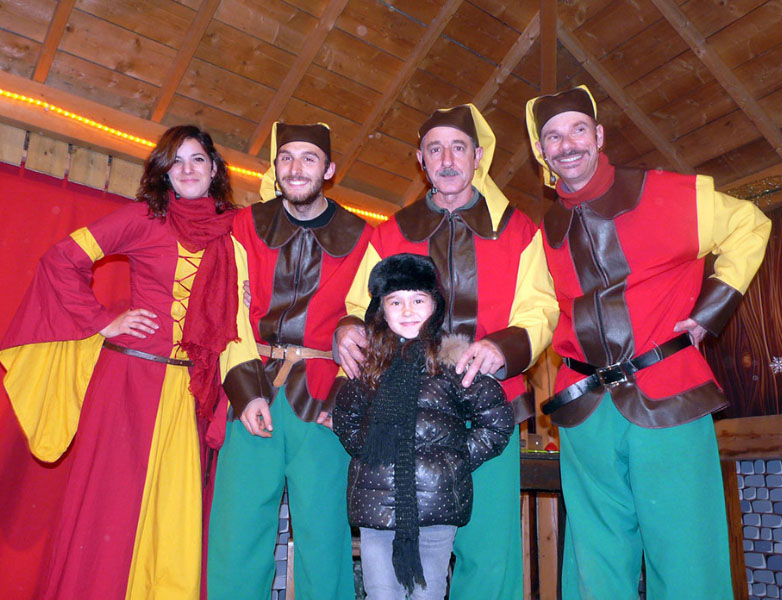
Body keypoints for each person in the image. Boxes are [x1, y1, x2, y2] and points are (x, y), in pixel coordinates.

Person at [525, 85, 771, 599]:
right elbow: (539, 310)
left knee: (685, 552)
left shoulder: (667, 193)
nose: (567, 144)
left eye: (577, 130)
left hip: (669, 393)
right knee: (594, 560)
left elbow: (749, 224)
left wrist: (709, 311)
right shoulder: (544, 232)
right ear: (541, 152)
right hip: (586, 409)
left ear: (599, 135)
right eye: (553, 136)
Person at [0, 125, 238, 598]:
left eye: (197, 159)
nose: (187, 169)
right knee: (111, 507)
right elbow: (61, 259)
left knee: (175, 509)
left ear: (214, 169)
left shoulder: (236, 231)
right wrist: (102, 320)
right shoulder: (144, 218)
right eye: (176, 161)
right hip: (129, 380)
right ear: (164, 172)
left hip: (192, 390)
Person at [336, 104, 559, 599]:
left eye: (458, 148)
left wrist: (501, 346)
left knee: (490, 554)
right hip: (404, 421)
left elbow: (541, 308)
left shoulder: (519, 230)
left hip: (489, 413)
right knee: (403, 566)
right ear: (421, 160)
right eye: (434, 149)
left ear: (478, 156)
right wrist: (348, 327)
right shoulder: (389, 232)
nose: (447, 159)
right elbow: (358, 305)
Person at [207, 123, 372, 600]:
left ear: (329, 170)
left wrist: (343, 396)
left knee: (324, 539)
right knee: (237, 533)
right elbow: (227, 310)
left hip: (322, 396)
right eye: (286, 158)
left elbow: (371, 321)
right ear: (275, 168)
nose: (296, 168)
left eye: (308, 159)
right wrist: (244, 392)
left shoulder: (364, 237)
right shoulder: (243, 226)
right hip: (252, 388)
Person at [333, 253, 515, 600]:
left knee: (427, 593)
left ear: (435, 305)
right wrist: (370, 450)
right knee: (380, 593)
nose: (407, 311)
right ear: (381, 311)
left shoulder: (453, 364)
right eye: (395, 302)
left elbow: (496, 421)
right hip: (376, 506)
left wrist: (454, 459)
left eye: (418, 300)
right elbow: (345, 416)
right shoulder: (371, 367)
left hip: (436, 506)